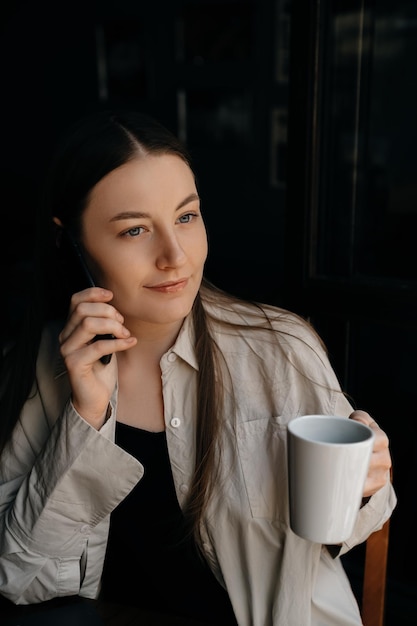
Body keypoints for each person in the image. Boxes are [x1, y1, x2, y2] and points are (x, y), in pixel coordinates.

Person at [0, 110, 396, 625]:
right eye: (134, 230)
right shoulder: (32, 372)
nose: (175, 256)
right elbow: (18, 578)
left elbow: (349, 525)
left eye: (186, 217)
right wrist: (86, 417)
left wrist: (366, 484)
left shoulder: (280, 349)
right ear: (69, 241)